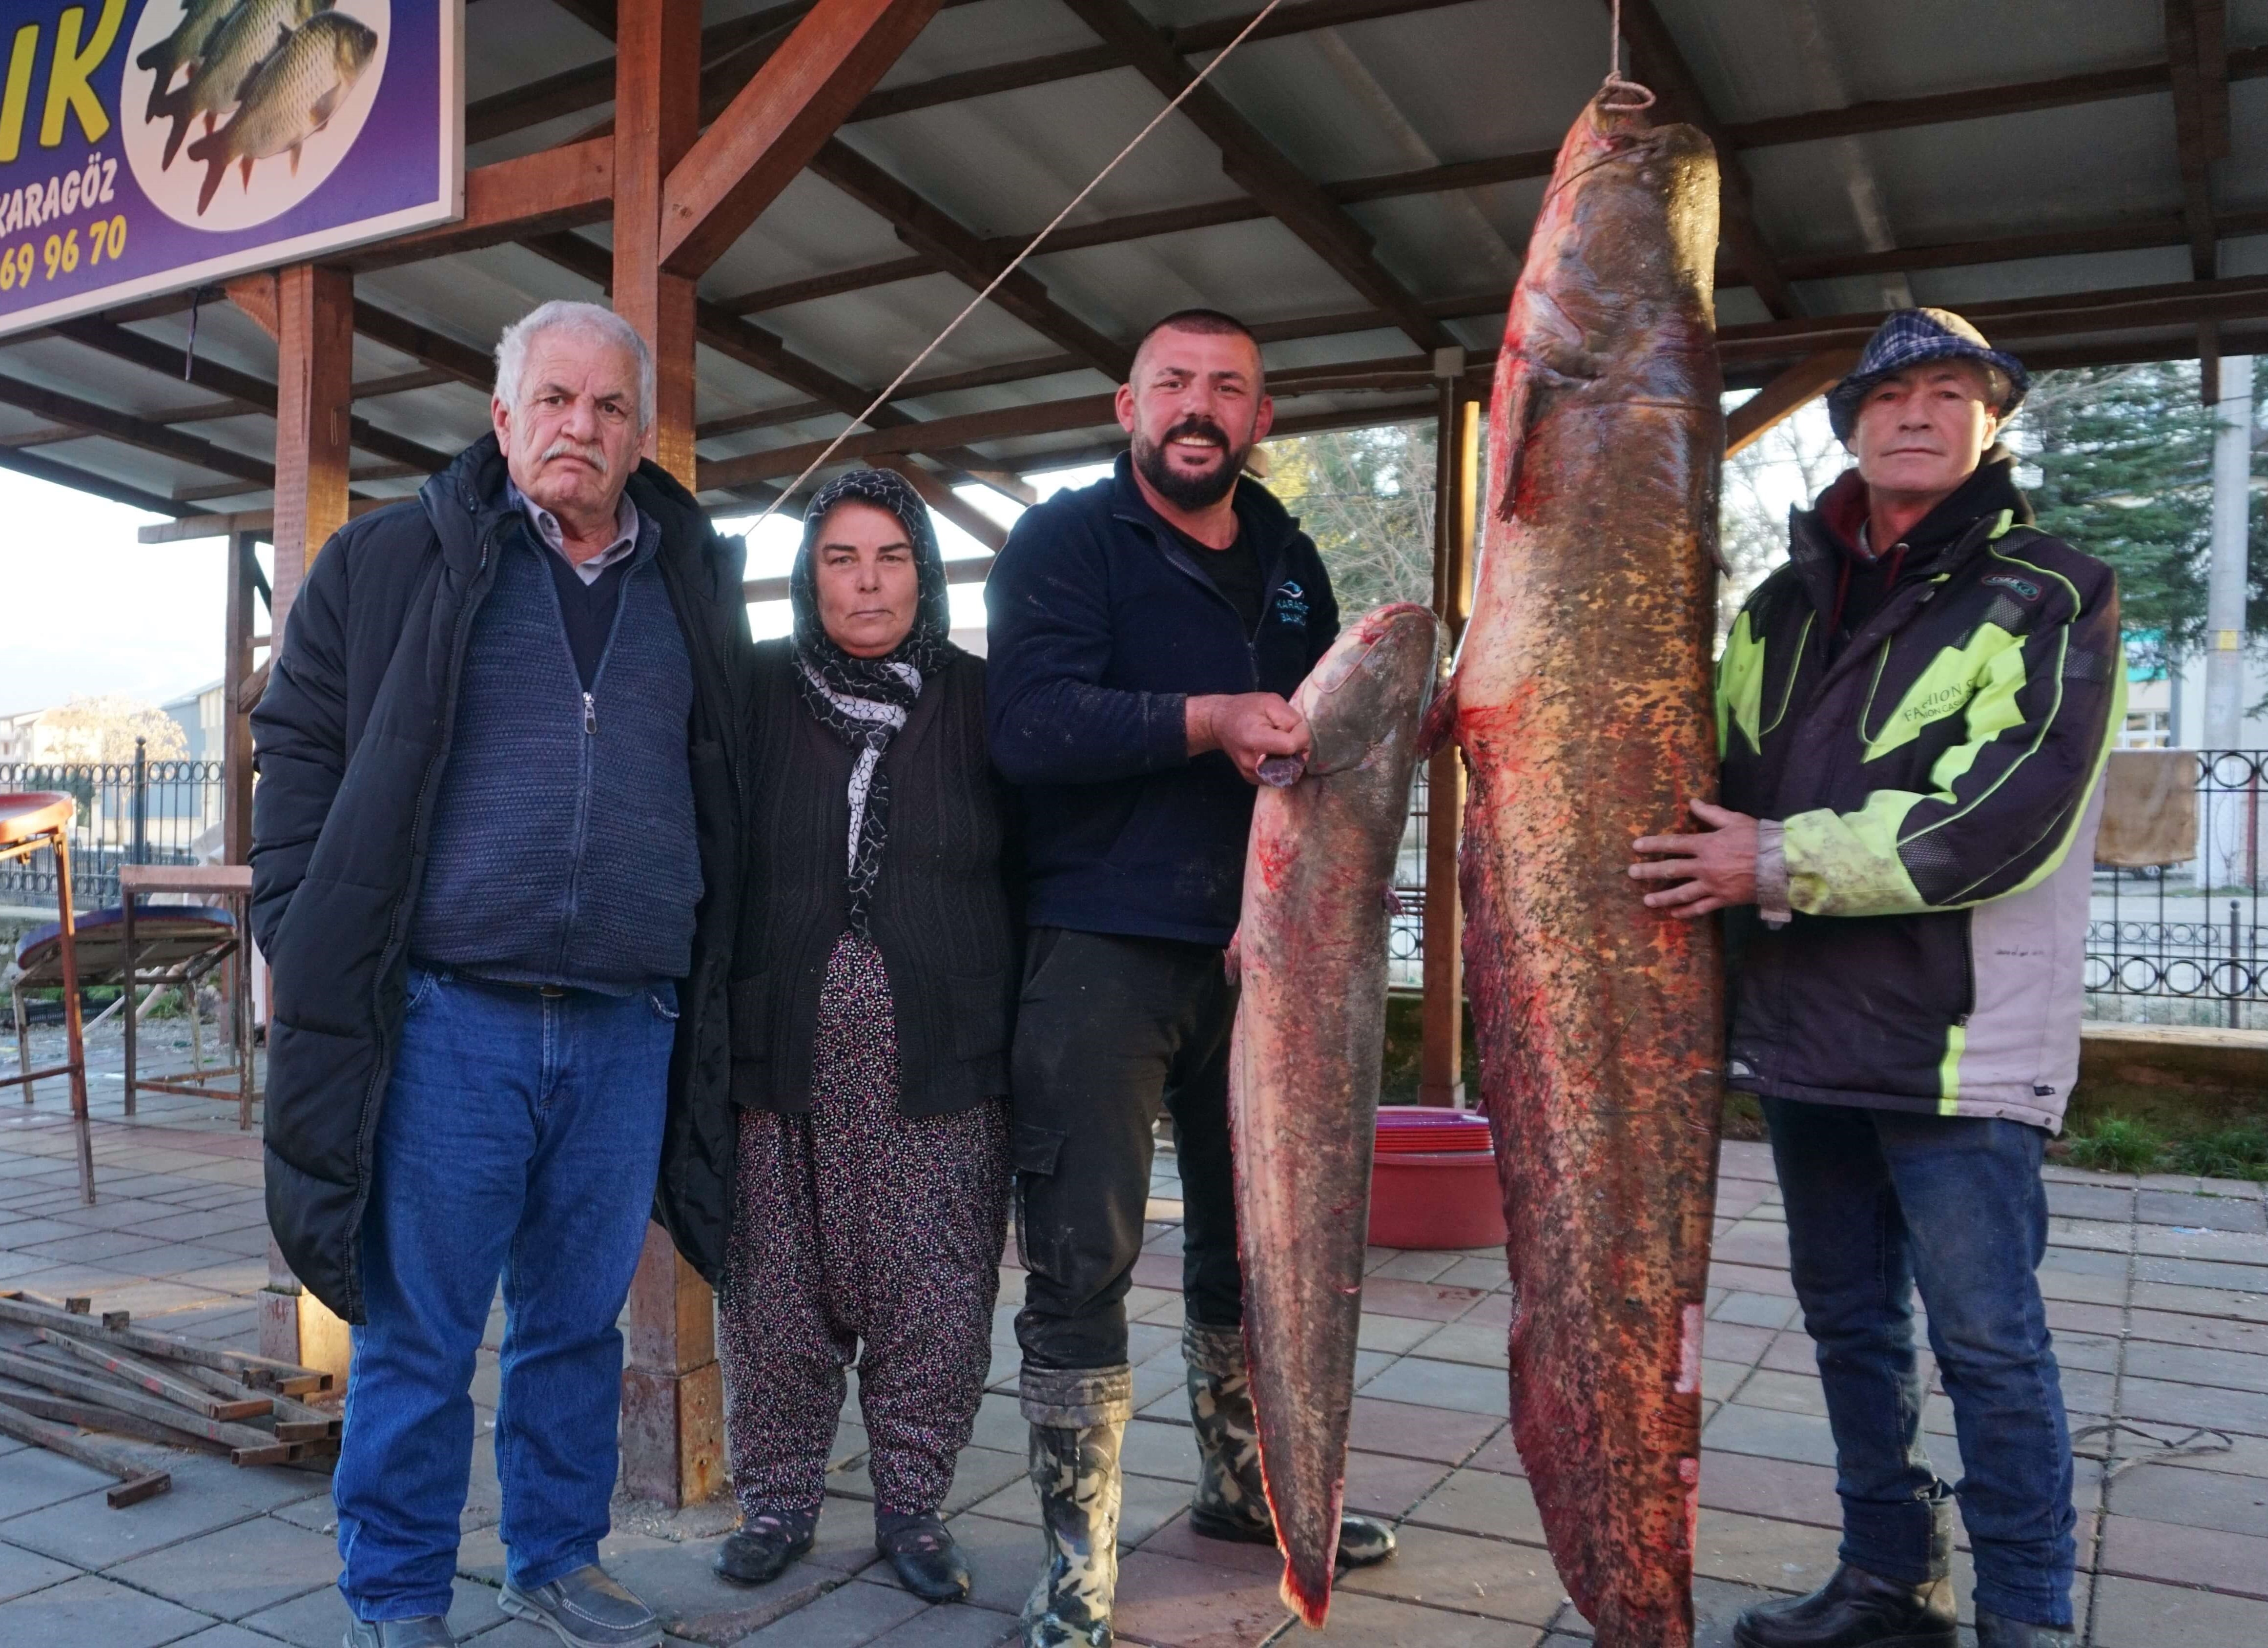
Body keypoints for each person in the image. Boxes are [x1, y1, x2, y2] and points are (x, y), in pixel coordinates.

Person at [251, 300, 752, 1648]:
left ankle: (554, 1555)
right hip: (447, 1016)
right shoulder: (392, 561)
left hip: (625, 1023)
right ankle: (399, 1592)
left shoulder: (689, 583)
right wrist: (293, 926)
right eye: (553, 401)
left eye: (605, 408)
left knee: (576, 1326)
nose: (576, 428)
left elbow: (729, 777)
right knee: (418, 1332)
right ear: (501, 418)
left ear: (640, 435)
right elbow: (295, 741)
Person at [1628, 309, 2122, 1648]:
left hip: (1957, 1047)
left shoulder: (2054, 594)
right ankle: (1885, 1579)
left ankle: (2024, 1619)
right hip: (1801, 1041)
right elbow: (1696, 785)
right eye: (1891, 394)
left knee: (1988, 1350)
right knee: (1847, 1328)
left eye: (1951, 393)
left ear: (1989, 425)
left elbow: (2001, 816)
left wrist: (1775, 863)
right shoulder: (1775, 608)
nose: (1918, 414)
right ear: (1846, 425)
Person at [986, 308, 1398, 1648]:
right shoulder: (1064, 541)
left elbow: (1330, 743)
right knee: (1081, 1251)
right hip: (1097, 947)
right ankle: (1074, 1558)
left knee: (1260, 1244)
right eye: (1173, 383)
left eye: (1227, 387)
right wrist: (1202, 721)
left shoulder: (1288, 558)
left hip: (1266, 958)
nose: (1197, 407)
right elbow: (1028, 725)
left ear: (1259, 419)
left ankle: (1241, 1488)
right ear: (1126, 406)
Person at [706, 468, 1015, 1605]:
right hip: (778, 1048)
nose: (867, 579)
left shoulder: (982, 700)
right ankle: (778, 1499)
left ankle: (912, 1506)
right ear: (808, 576)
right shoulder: (751, 692)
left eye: (889, 555)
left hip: (938, 1055)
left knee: (932, 1292)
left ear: (923, 573)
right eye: (840, 557)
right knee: (776, 1291)